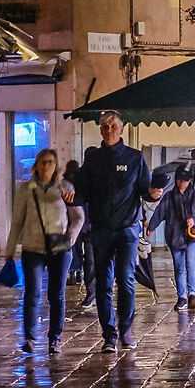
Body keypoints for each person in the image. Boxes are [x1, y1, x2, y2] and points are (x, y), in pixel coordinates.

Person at [68, 109, 162, 349]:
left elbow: (145, 190)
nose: (109, 130)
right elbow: (81, 192)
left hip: (127, 230)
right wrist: (70, 197)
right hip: (100, 230)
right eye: (105, 126)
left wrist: (152, 194)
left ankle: (126, 331)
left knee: (126, 280)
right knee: (103, 283)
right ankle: (109, 335)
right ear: (100, 130)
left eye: (113, 126)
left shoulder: (135, 158)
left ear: (121, 130)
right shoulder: (93, 160)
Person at [4, 147, 81, 351]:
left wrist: (70, 238)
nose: (46, 166)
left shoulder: (65, 188)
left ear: (56, 167)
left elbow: (78, 217)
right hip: (33, 247)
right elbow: (17, 222)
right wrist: (10, 250)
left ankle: (54, 338)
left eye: (50, 162)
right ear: (36, 165)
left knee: (57, 295)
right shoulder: (25, 190)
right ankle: (30, 338)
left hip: (60, 248)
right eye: (43, 162)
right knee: (32, 293)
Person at [163, 161, 195, 312]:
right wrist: (151, 226)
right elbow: (161, 211)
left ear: (190, 180)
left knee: (191, 264)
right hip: (175, 234)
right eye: (178, 179)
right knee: (179, 267)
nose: (180, 183)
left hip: (193, 235)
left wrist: (194, 220)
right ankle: (181, 296)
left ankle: (192, 294)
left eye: (184, 180)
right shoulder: (170, 196)